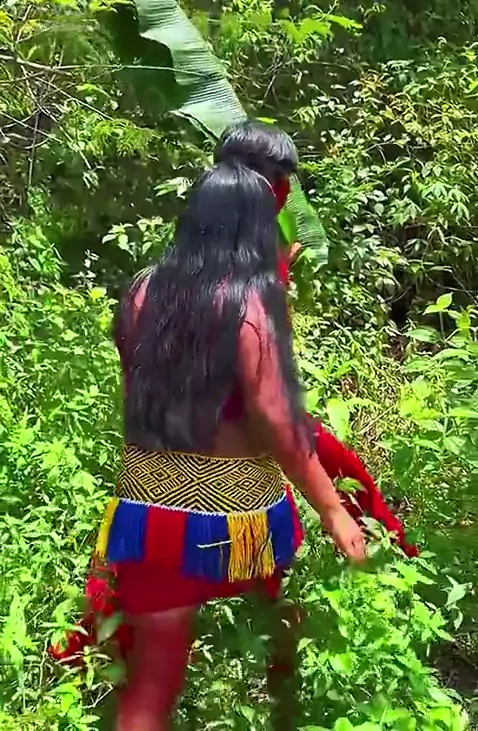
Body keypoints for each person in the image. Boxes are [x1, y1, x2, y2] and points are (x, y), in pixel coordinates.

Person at [91, 119, 367, 730]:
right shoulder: (249, 301)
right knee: (282, 628)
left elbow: (144, 397)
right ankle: (284, 709)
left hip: (146, 511)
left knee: (151, 683)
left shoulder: (142, 290)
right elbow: (276, 421)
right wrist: (333, 509)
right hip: (236, 516)